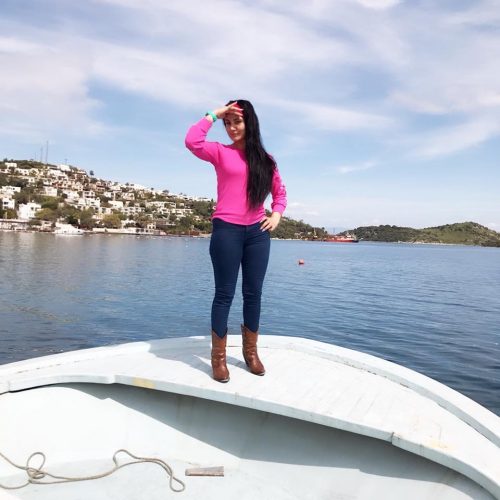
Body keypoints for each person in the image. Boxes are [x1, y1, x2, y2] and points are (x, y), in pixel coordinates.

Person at [185, 100, 287, 383]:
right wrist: (214, 114)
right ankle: (218, 358)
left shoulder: (266, 161)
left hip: (257, 234)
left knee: (254, 294)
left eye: (237, 122)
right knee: (224, 294)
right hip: (226, 231)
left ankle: (250, 353)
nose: (231, 128)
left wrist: (276, 215)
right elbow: (192, 141)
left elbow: (280, 193)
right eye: (227, 123)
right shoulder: (220, 152)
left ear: (250, 122)